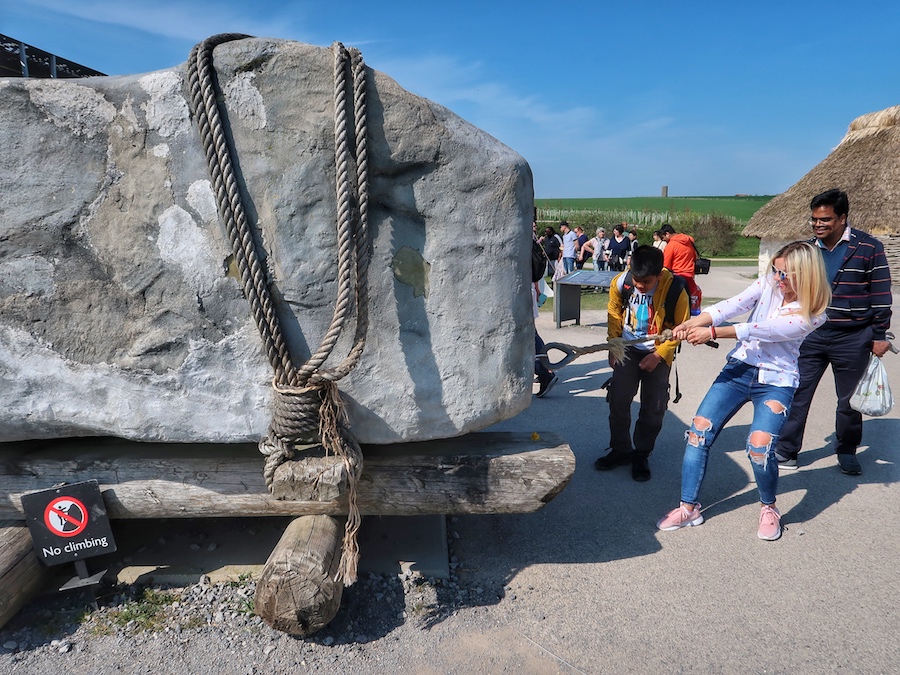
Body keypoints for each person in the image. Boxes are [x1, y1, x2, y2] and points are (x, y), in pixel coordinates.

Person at [657, 241, 831, 541]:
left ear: (807, 274)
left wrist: (711, 332)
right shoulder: (769, 283)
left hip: (776, 382)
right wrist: (695, 321)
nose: (778, 278)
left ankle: (769, 506)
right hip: (739, 370)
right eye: (775, 270)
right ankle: (688, 507)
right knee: (698, 432)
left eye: (786, 274)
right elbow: (733, 305)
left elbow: (765, 329)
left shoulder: (814, 313)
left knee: (759, 448)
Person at [774, 189, 893, 475]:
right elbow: (787, 288)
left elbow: (880, 293)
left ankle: (847, 450)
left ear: (842, 218)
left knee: (849, 399)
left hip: (853, 337)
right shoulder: (805, 250)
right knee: (797, 392)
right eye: (814, 219)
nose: (818, 224)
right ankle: (786, 449)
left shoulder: (868, 247)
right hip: (809, 334)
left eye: (825, 219)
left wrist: (879, 334)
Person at [594, 245, 690, 481]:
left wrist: (658, 355)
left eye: (646, 282)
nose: (639, 286)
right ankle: (621, 450)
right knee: (618, 401)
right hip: (626, 350)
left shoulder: (676, 291)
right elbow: (614, 312)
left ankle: (641, 454)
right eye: (636, 279)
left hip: (658, 352)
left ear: (659, 275)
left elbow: (681, 329)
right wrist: (613, 345)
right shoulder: (621, 283)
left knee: (653, 408)